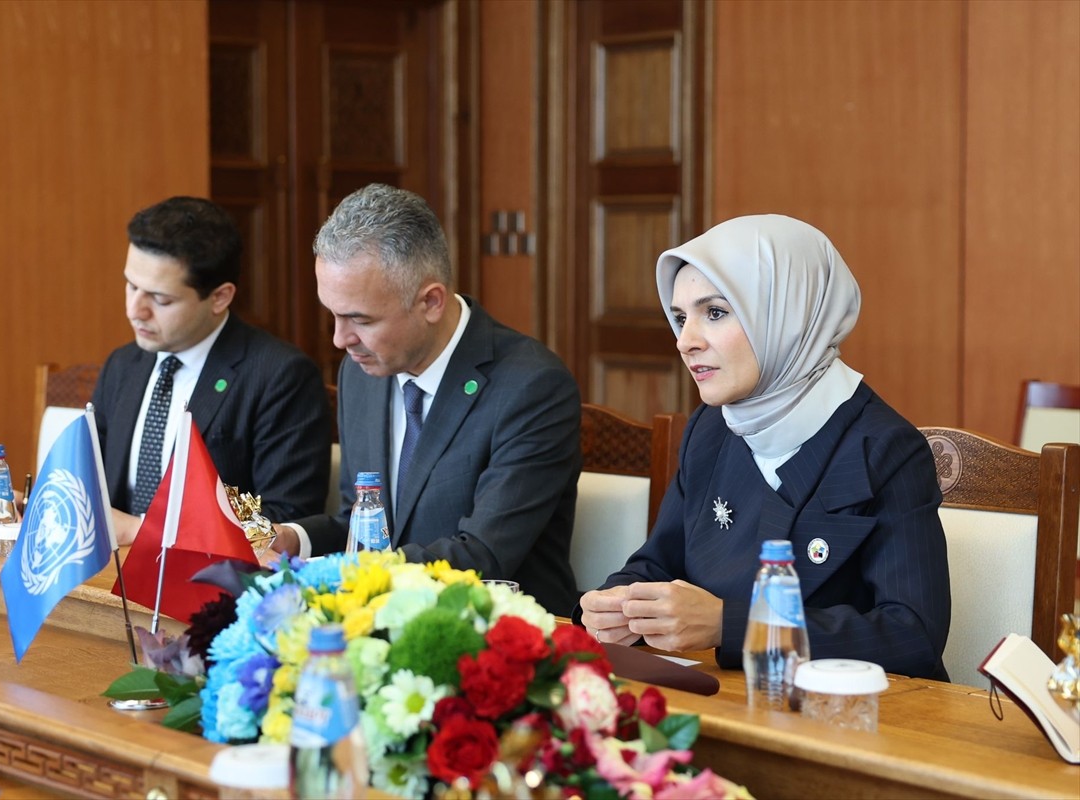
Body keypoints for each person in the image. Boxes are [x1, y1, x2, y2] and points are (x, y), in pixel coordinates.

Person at [578, 215, 951, 681]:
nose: (685, 341)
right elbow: (658, 562)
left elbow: (912, 634)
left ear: (787, 313)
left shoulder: (885, 448)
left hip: (854, 723)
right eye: (679, 317)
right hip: (729, 700)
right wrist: (617, 602)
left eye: (714, 313)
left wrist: (728, 624)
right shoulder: (710, 429)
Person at [270, 183, 582, 616]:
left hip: (495, 637)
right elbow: (363, 523)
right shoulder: (363, 373)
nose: (341, 340)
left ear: (431, 302)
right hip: (376, 626)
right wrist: (292, 539)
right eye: (333, 315)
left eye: (359, 319)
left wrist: (333, 573)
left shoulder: (531, 386)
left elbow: (483, 555)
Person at [92, 196, 332, 545]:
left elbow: (282, 521)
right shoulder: (123, 365)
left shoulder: (280, 377)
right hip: (110, 582)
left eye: (160, 299)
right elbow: (89, 484)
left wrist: (139, 531)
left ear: (220, 297)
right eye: (131, 286)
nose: (135, 311)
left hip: (214, 588)